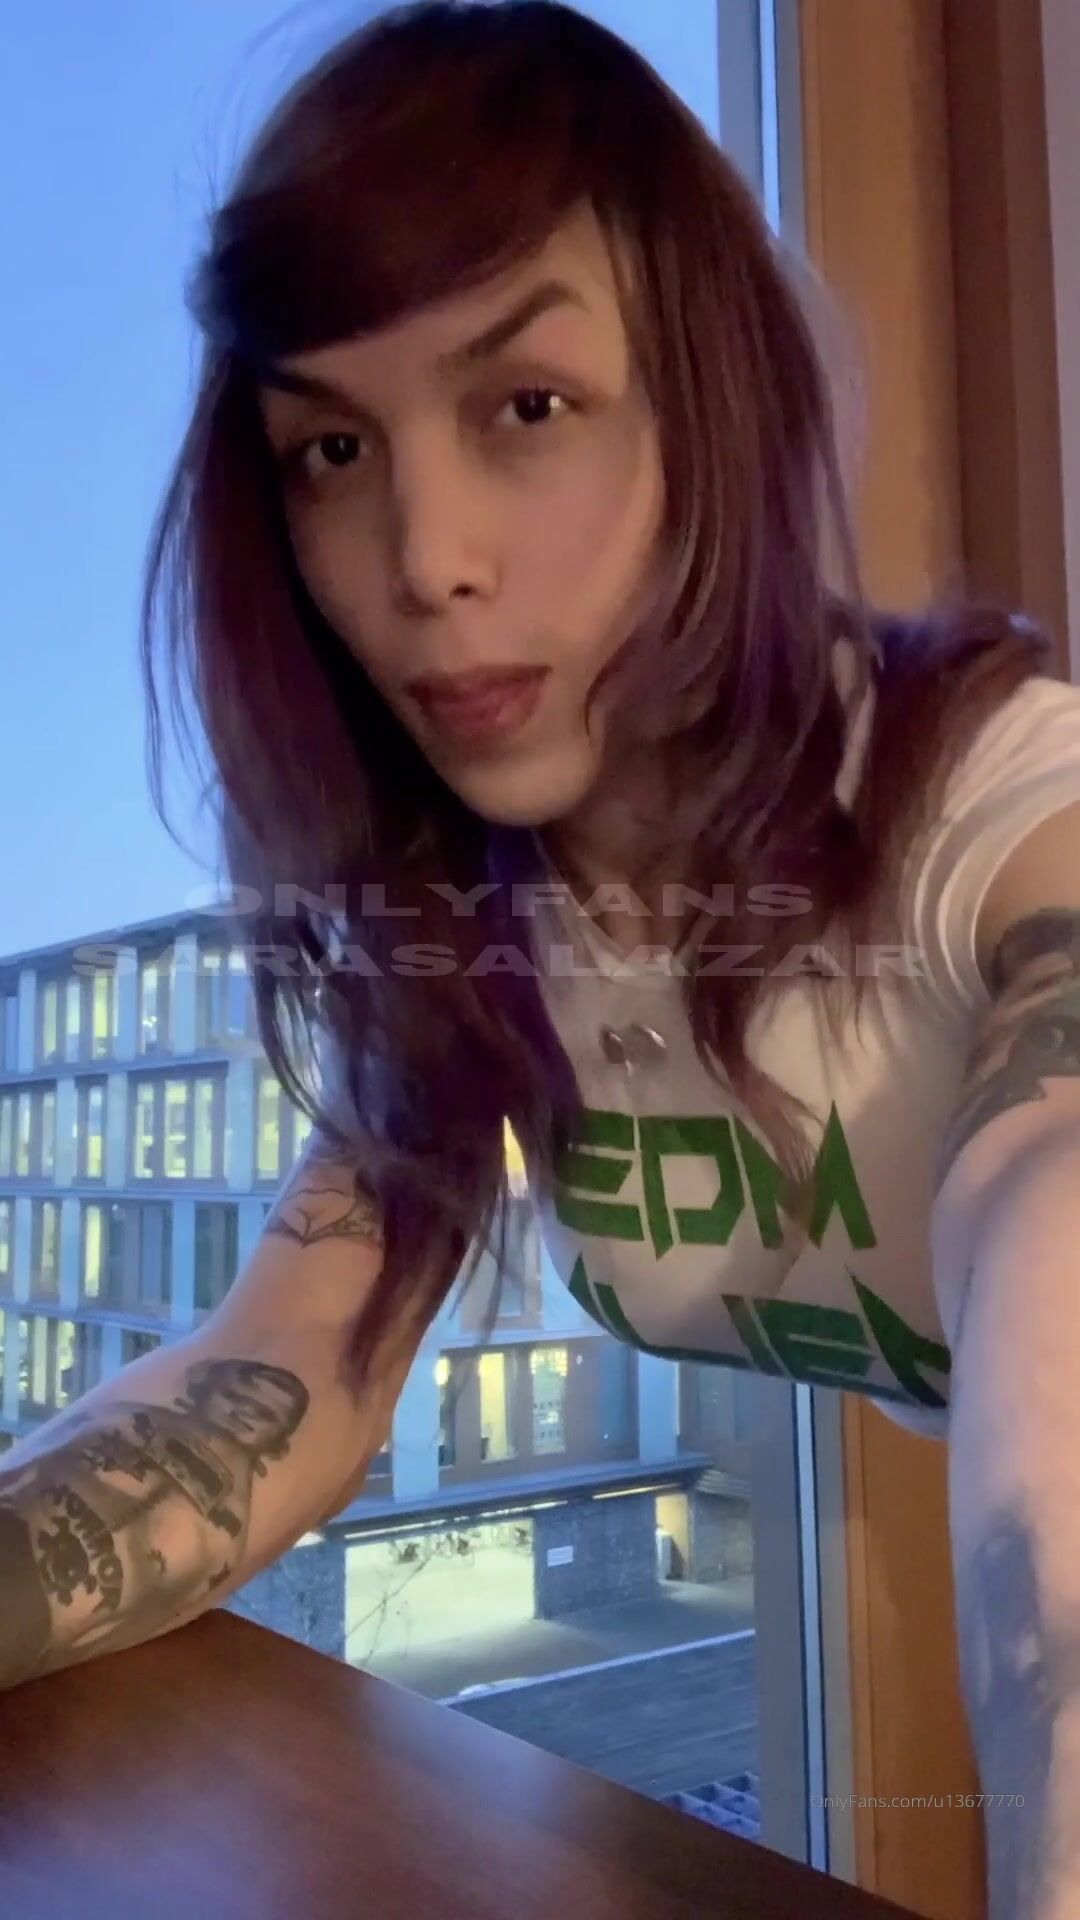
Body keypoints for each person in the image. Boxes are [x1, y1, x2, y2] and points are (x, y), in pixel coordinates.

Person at [2, 4, 1079, 1913]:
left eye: (525, 406)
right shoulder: (475, 923)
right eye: (334, 445)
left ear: (713, 399)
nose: (424, 557)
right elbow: (286, 1367)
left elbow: (1055, 1275)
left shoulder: (996, 820)